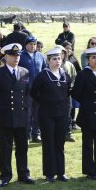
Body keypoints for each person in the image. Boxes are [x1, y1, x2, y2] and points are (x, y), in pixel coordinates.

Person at [0, 43, 35, 187]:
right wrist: (2, 110)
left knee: (23, 147)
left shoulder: (25, 72)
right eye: (13, 55)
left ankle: (23, 174)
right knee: (5, 148)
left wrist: (26, 110)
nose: (16, 58)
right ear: (6, 56)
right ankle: (5, 176)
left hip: (22, 115)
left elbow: (28, 94)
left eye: (18, 55)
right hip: (5, 115)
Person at [30, 47, 71, 182]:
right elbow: (33, 92)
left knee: (60, 143)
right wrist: (44, 102)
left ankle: (61, 172)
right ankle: (50, 173)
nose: (57, 61)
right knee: (48, 143)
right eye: (54, 59)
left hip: (62, 115)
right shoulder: (43, 75)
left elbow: (67, 94)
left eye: (59, 58)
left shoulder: (66, 76)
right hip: (47, 115)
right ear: (48, 61)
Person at [72, 47, 96, 180]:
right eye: (93, 58)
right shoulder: (82, 74)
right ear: (88, 60)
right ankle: (90, 170)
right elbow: (76, 93)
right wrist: (88, 101)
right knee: (88, 144)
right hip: (88, 114)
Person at [19, 36, 47, 142]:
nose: (33, 46)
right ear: (26, 45)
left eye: (34, 44)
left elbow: (45, 70)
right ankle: (26, 134)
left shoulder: (41, 56)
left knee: (38, 113)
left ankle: (36, 134)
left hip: (39, 90)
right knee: (27, 113)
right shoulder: (21, 56)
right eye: (31, 44)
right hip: (26, 90)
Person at [55, 45, 77, 142]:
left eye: (63, 53)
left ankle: (68, 133)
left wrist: (71, 87)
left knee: (68, 114)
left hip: (67, 94)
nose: (61, 55)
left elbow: (74, 77)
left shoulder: (69, 65)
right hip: (55, 95)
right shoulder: (51, 66)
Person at [62, 41, 81, 130]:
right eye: (67, 48)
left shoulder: (73, 59)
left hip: (72, 86)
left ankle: (73, 122)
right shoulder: (60, 59)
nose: (69, 50)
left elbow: (78, 72)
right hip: (62, 87)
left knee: (72, 106)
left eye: (70, 48)